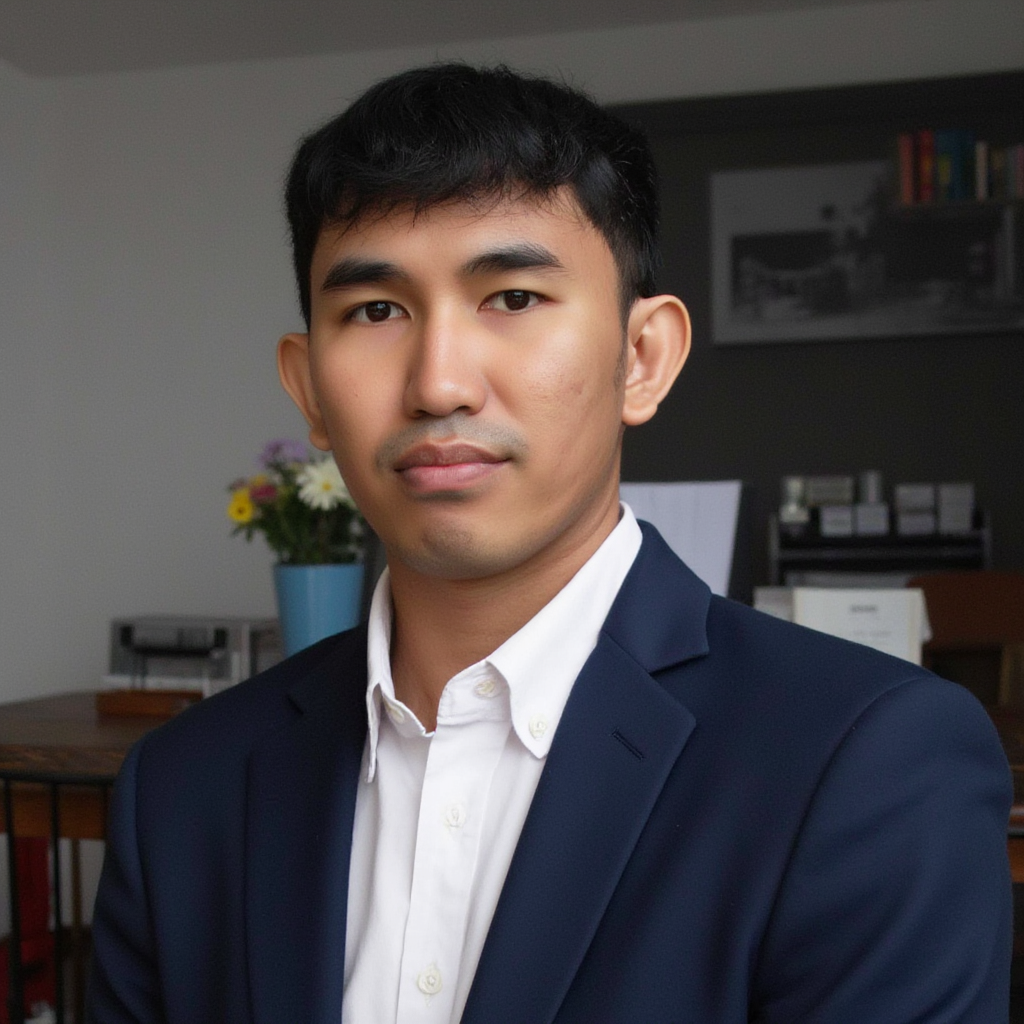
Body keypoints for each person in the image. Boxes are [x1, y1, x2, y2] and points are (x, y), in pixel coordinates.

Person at [86, 63, 1012, 1024]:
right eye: (375, 311)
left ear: (642, 359)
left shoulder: (870, 763)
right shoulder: (182, 792)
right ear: (310, 388)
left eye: (514, 298)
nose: (439, 383)